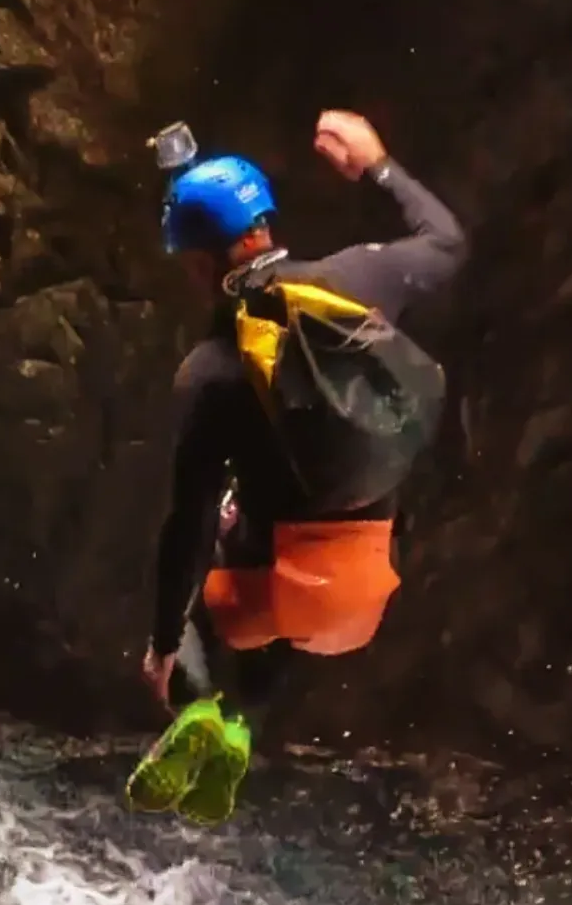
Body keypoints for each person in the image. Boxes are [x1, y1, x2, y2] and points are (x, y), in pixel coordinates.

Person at [126, 109, 469, 824]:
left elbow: (182, 530)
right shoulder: (360, 280)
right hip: (366, 591)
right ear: (267, 228)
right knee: (298, 587)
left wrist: (162, 645)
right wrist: (377, 165)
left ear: (197, 263)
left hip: (264, 591)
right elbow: (448, 243)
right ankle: (243, 726)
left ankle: (197, 706)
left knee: (214, 536)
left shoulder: (212, 372)